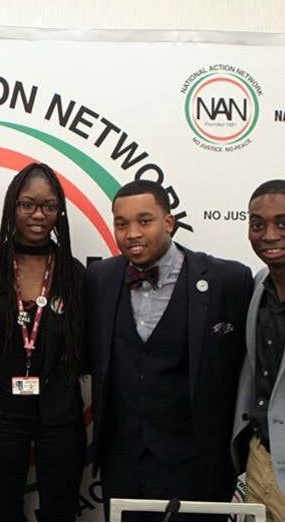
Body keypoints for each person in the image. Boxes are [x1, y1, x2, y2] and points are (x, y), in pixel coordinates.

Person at [87, 179, 252, 520]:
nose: (132, 233)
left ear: (169, 222)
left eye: (144, 221)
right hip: (123, 463)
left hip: (197, 463)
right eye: (121, 224)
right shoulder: (99, 278)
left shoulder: (228, 280)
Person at [0, 162, 86, 521]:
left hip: (61, 413)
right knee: (3, 511)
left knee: (61, 512)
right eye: (28, 204)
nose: (38, 215)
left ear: (59, 212)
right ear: (12, 207)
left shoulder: (74, 273)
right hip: (1, 411)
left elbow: (86, 349)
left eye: (49, 206)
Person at [232, 180, 285, 521]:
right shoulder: (257, 286)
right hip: (258, 460)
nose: (269, 235)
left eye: (283, 223)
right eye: (257, 224)